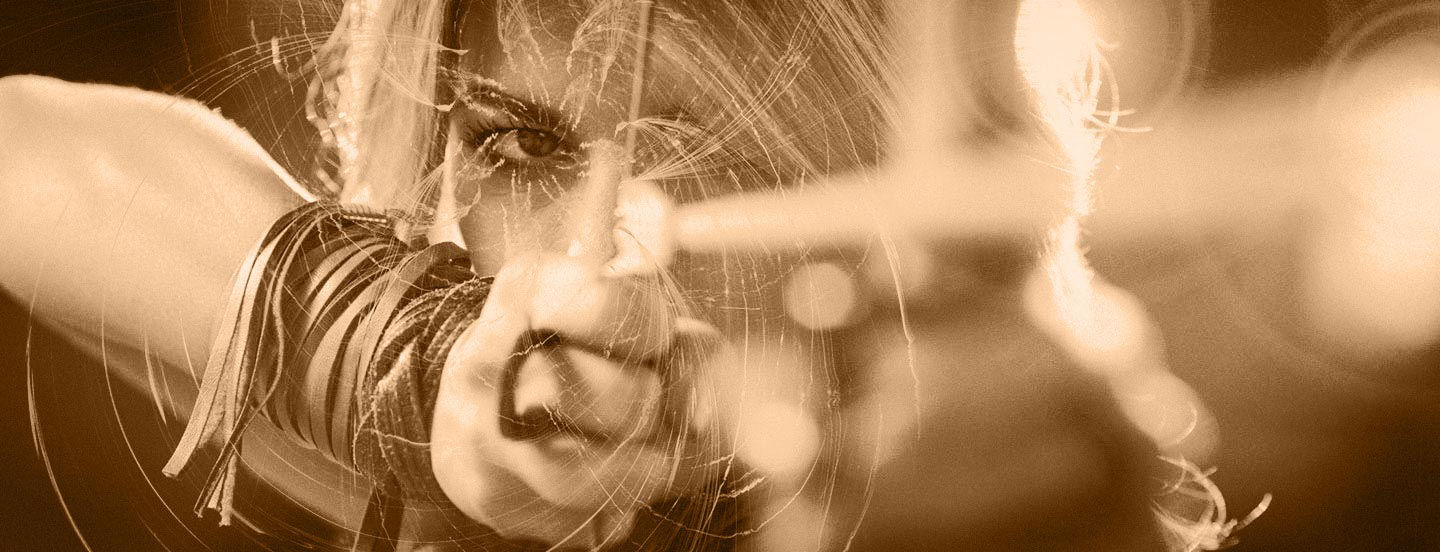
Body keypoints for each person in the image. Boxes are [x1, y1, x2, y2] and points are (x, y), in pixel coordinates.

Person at [0, 0, 1201, 550]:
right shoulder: (457, 475)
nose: (588, 248)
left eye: (695, 147)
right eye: (516, 151)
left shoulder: (1001, 446)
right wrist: (421, 367)